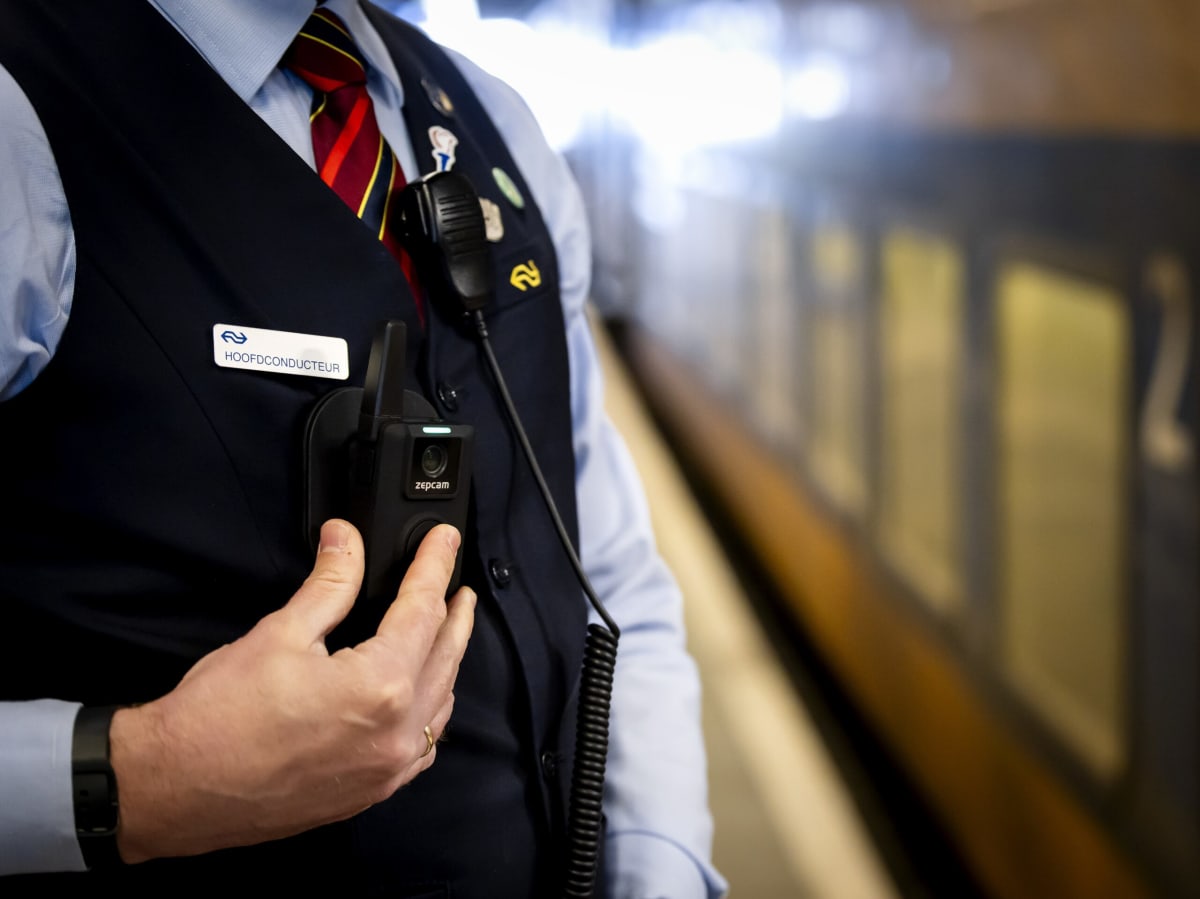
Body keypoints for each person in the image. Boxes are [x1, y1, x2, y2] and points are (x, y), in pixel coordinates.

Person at [0, 0, 727, 896]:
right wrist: (146, 779)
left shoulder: (491, 117)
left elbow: (607, 569)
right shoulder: (20, 122)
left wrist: (658, 864)